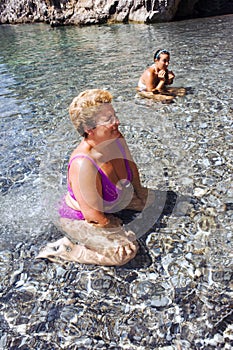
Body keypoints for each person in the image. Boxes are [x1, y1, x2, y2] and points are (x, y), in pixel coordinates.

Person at [37, 89, 150, 266]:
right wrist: (115, 231)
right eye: (108, 119)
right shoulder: (84, 164)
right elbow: (93, 217)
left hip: (110, 202)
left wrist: (140, 191)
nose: (117, 122)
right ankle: (64, 249)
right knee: (125, 253)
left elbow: (132, 169)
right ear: (89, 129)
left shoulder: (117, 138)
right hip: (80, 217)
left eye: (115, 115)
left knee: (157, 201)